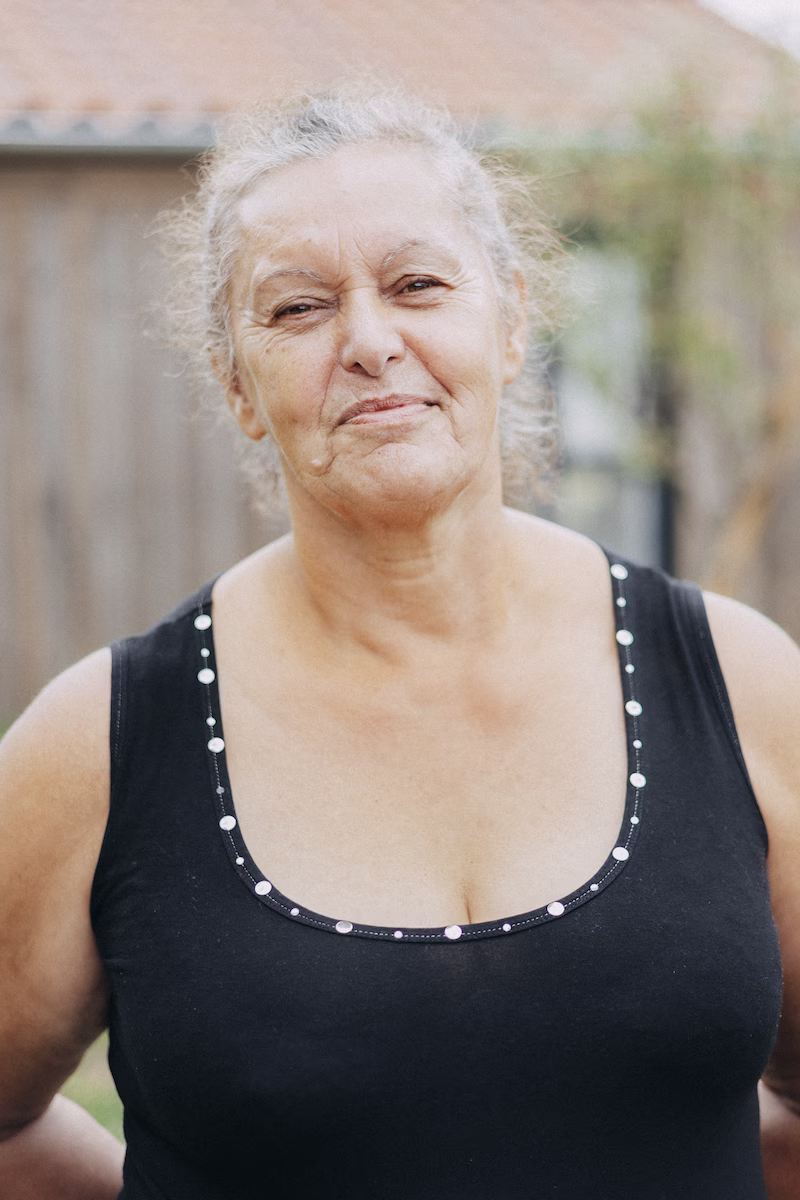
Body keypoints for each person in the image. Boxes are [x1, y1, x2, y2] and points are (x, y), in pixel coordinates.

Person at [1, 83, 799, 1200]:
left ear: (511, 323)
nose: (371, 342)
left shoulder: (739, 683)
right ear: (236, 386)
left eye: (418, 284)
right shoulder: (100, 743)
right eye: (297, 309)